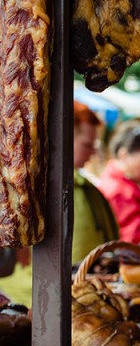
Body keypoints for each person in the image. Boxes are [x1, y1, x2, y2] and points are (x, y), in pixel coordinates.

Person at [0, 103, 120, 305]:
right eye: (87, 144)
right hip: (38, 301)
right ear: (65, 139)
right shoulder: (36, 186)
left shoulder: (86, 187)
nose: (92, 153)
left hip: (81, 294)